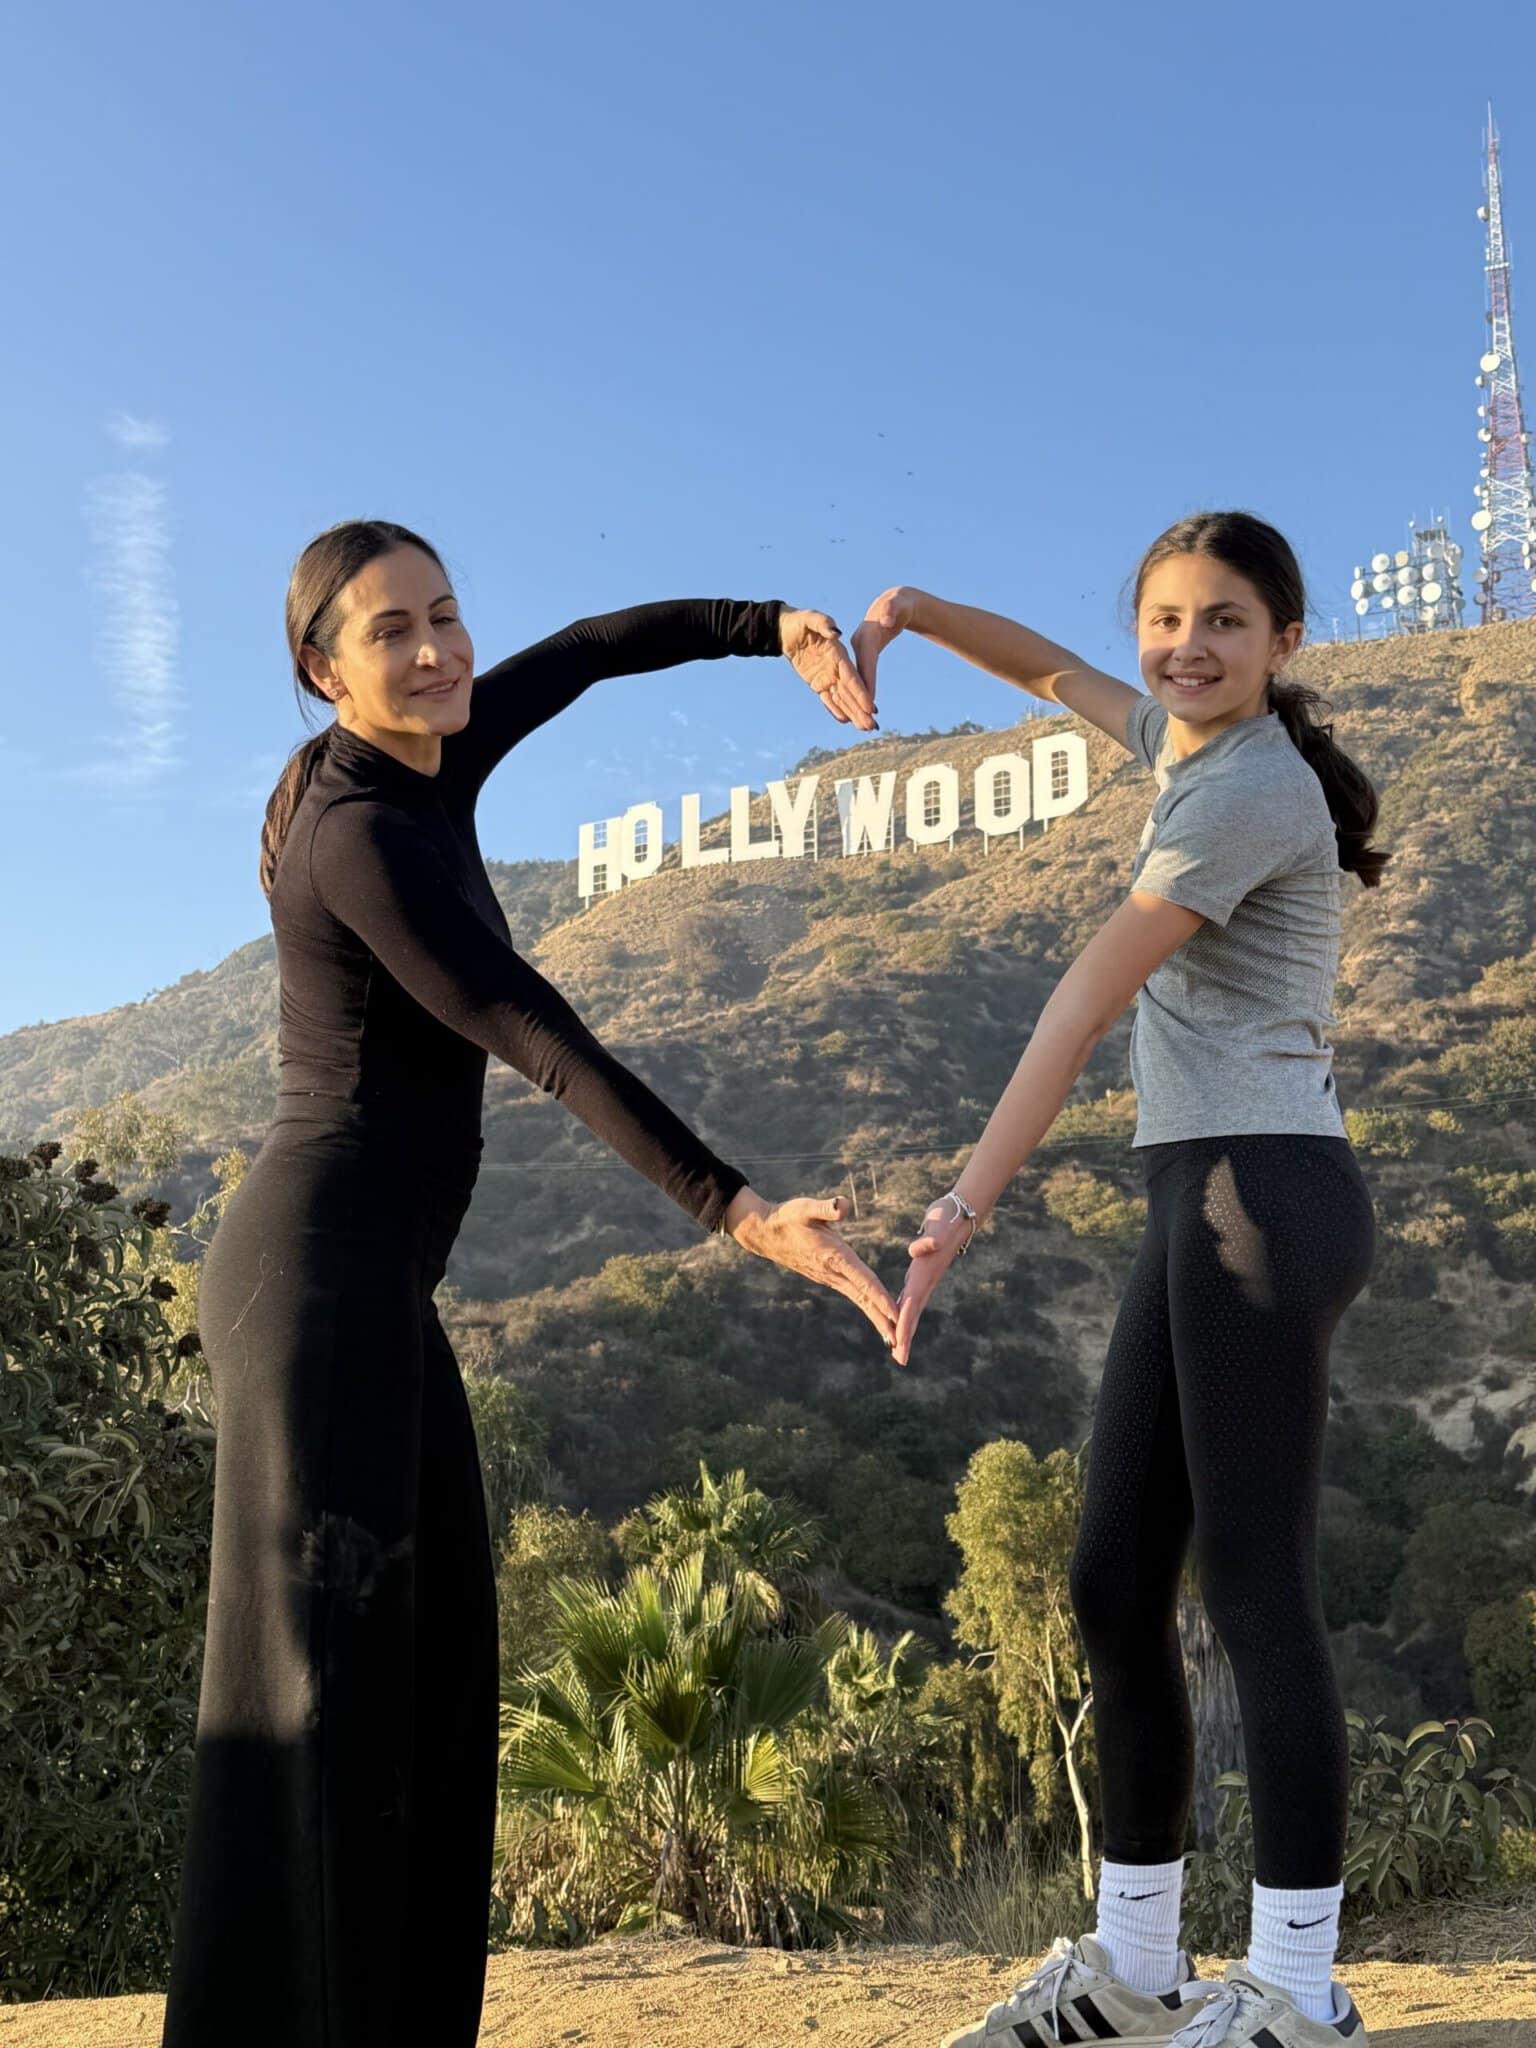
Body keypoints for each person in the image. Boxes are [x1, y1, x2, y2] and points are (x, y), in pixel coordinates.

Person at [160, 519, 898, 2048]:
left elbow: (590, 652)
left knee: (427, 1678)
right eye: (390, 633)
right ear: (321, 668)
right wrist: (735, 1208)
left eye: (445, 617)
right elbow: (532, 1026)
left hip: (373, 1288)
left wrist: (775, 625)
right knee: (326, 1707)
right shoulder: (355, 829)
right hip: (312, 1286)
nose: (436, 652)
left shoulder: (440, 740)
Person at [852, 512, 1384, 2048]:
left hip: (1259, 1198)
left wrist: (961, 1206)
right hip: (1197, 1199)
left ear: (1284, 643)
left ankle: (1293, 1993)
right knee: (1107, 1580)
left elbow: (1082, 1004)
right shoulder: (1183, 743)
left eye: (1225, 621)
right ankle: (1135, 1974)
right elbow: (1058, 672)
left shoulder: (1250, 792)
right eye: (1168, 617)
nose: (1186, 646)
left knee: (1257, 1589)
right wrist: (917, 606)